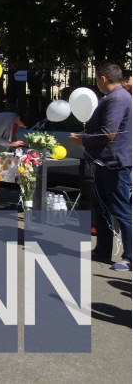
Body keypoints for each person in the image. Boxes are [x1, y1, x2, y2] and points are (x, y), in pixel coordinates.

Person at [70, 63, 132, 271]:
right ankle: (103, 250)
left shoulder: (117, 98)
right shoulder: (118, 96)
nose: (97, 83)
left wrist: (83, 140)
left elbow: (109, 133)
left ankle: (129, 257)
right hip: (107, 161)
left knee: (121, 209)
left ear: (103, 79)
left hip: (115, 163)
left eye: (97, 79)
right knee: (103, 208)